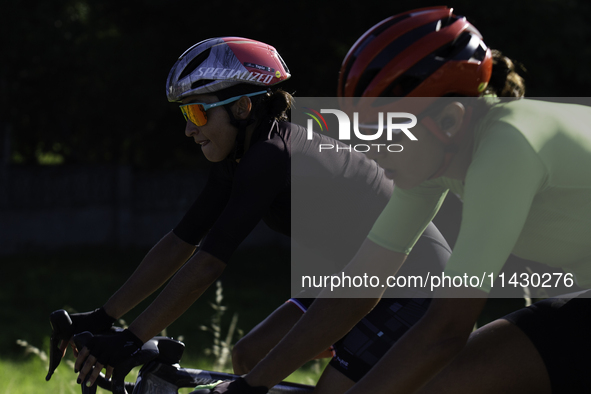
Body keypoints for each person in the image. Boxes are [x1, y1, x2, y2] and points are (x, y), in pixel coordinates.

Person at [213, 7, 591, 394]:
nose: (373, 150)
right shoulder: (437, 159)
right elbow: (358, 286)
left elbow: (445, 331)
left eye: (383, 130)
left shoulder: (509, 148)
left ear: (450, 119)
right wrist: (250, 385)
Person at [66, 37, 451, 390]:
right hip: (354, 277)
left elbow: (208, 266)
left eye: (198, 114)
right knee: (249, 356)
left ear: (242, 107)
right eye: (184, 113)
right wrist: (103, 318)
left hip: (418, 286)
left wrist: (131, 339)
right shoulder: (241, 153)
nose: (187, 129)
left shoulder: (271, 155)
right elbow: (180, 241)